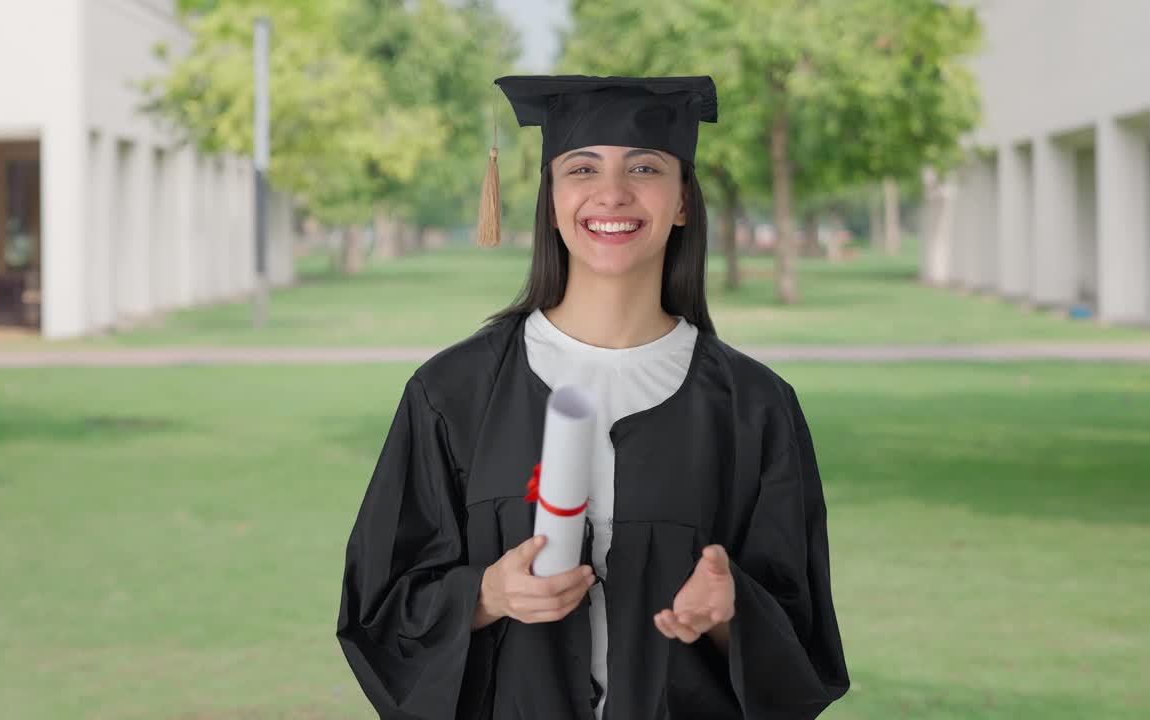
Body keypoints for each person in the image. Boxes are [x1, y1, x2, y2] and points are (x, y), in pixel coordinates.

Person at [336, 75, 850, 720]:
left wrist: (729, 610)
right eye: (582, 168)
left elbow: (802, 642)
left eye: (645, 166)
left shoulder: (753, 408)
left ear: (684, 200)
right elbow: (378, 608)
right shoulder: (452, 394)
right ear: (551, 198)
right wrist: (485, 593)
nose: (613, 193)